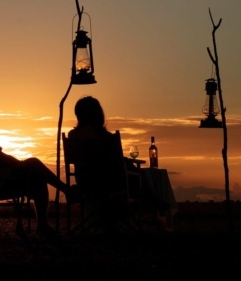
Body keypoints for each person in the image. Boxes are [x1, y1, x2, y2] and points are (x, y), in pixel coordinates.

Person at [68, 95, 175, 232]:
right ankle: (159, 208)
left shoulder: (72, 137)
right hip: (109, 185)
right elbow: (114, 162)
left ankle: (157, 208)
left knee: (128, 169)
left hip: (86, 184)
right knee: (135, 175)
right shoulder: (106, 138)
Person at [0, 104, 67, 237]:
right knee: (35, 168)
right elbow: (1, 157)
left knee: (34, 168)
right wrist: (20, 164)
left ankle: (64, 192)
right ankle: (46, 219)